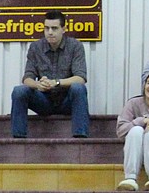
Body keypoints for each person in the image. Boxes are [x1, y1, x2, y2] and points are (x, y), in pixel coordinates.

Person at [11, 10, 90, 139]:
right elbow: (27, 78)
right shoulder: (35, 47)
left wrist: (56, 83)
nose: (50, 32)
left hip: (66, 101)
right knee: (19, 91)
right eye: (47, 28)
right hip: (43, 101)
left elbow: (80, 78)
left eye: (54, 28)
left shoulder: (76, 46)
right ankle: (18, 138)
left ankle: (80, 136)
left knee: (78, 88)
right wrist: (37, 84)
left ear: (63, 29)